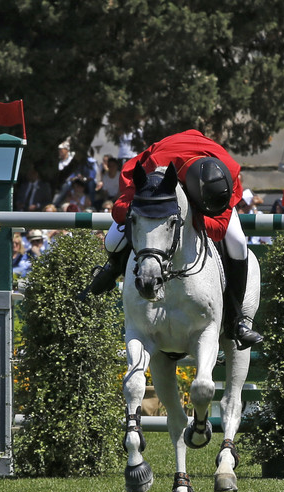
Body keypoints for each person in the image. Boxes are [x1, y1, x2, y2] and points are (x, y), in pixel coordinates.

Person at [83, 129, 262, 349]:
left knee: (238, 244)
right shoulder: (153, 164)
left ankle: (237, 320)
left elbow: (218, 229)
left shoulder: (229, 174)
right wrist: (136, 210)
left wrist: (191, 217)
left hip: (207, 195)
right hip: (163, 186)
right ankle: (111, 269)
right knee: (112, 240)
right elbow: (120, 209)